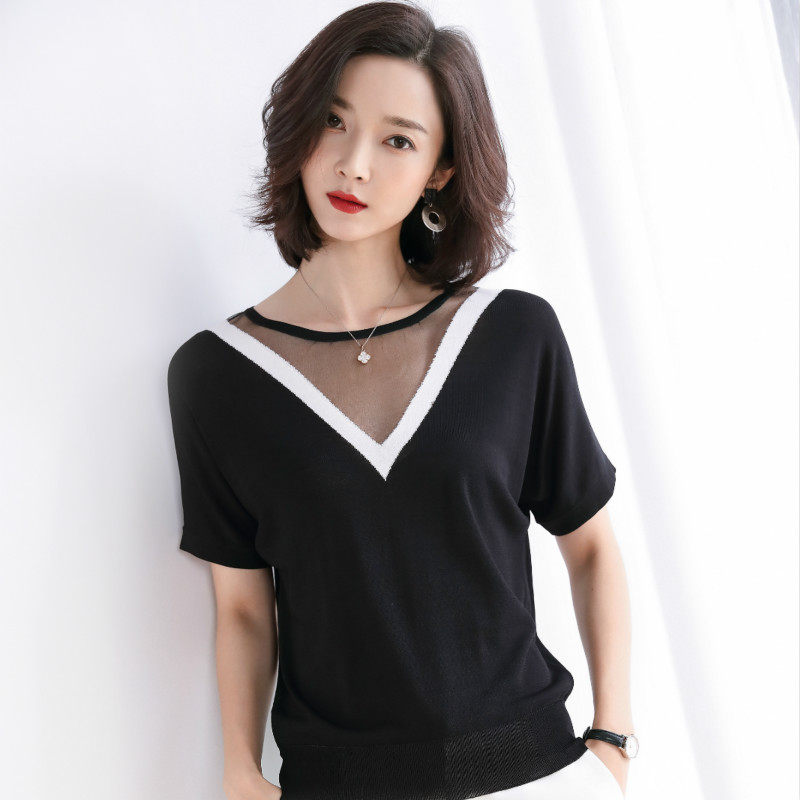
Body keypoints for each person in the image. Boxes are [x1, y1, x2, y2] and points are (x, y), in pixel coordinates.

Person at [166, 2, 637, 799]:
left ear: (441, 170)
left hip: (535, 774)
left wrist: (612, 740)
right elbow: (243, 605)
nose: (353, 165)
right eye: (334, 121)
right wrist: (240, 768)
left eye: (398, 141)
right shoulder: (217, 375)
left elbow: (589, 546)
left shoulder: (513, 335)